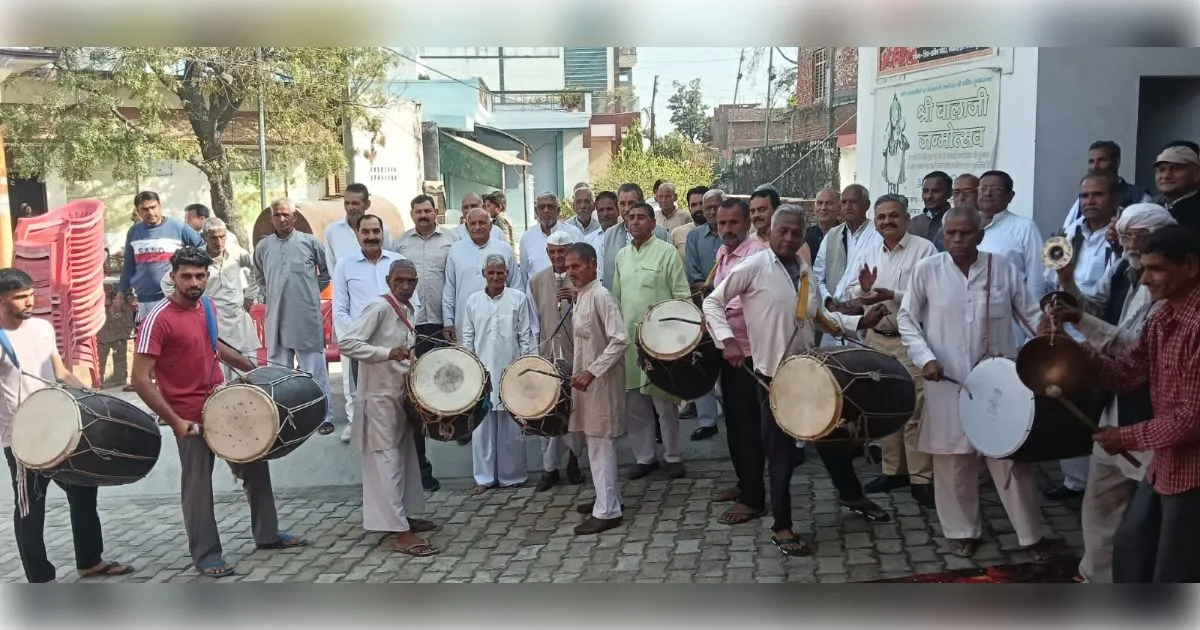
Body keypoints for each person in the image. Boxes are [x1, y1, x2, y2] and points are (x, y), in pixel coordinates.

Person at [704, 205, 890, 557]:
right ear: (770, 231)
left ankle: (853, 496)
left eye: (796, 233)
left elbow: (815, 315)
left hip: (810, 374)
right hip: (773, 381)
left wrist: (857, 324)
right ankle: (782, 526)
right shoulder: (754, 266)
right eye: (783, 231)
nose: (789, 238)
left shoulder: (804, 271)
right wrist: (727, 340)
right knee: (781, 456)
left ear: (804, 236)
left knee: (832, 443)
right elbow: (713, 302)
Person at [133, 247, 307, 578]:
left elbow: (213, 345)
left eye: (200, 276)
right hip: (188, 418)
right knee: (198, 486)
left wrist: (251, 367)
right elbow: (140, 380)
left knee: (255, 467)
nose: (194, 282)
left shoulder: (207, 307)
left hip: (223, 406)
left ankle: (267, 534)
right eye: (186, 276)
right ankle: (207, 555)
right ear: (173, 277)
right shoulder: (158, 319)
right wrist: (175, 421)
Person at [897, 206, 1054, 563]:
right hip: (947, 381)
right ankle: (961, 531)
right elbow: (907, 318)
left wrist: (1049, 341)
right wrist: (925, 358)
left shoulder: (1002, 268)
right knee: (953, 460)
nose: (956, 240)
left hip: (999, 383)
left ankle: (1030, 535)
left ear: (980, 235)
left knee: (1009, 459)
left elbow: (1030, 317)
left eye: (964, 233)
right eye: (950, 234)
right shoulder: (927, 270)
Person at [1050, 224, 1200, 583]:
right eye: (1143, 269)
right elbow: (1129, 373)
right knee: (1133, 545)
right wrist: (1076, 355)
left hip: (1193, 471)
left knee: (1174, 567)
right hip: (1166, 462)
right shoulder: (1161, 316)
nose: (1145, 280)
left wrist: (1126, 437)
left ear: (1191, 266)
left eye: (1156, 269)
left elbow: (1192, 419)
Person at [0, 268, 135, 583]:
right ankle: (41, 579)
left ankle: (89, 560)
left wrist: (90, 397)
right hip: (22, 440)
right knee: (30, 508)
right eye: (20, 297)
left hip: (60, 428)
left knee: (85, 487)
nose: (29, 301)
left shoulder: (42, 328)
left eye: (31, 294)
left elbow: (60, 370)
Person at [830, 195, 938, 509]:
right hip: (877, 339)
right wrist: (865, 290)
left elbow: (931, 295)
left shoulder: (924, 250)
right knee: (885, 405)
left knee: (915, 409)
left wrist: (892, 294)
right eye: (881, 217)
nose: (887, 221)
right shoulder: (868, 248)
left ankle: (921, 478)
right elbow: (850, 291)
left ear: (906, 218)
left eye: (893, 216)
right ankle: (893, 471)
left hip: (911, 341)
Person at [338, 259, 440, 557]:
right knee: (388, 466)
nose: (406, 286)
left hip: (400, 398)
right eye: (400, 281)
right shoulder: (378, 308)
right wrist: (385, 353)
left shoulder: (408, 310)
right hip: (379, 400)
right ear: (388, 280)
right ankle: (400, 533)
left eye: (411, 281)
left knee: (405, 461)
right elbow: (348, 344)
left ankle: (404, 517)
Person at [1041, 173, 1120, 502]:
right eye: (1084, 195)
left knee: (1098, 407)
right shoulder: (1068, 234)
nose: (1089, 201)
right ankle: (1074, 482)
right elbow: (1049, 280)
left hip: (1103, 334)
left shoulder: (1119, 239)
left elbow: (1104, 300)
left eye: (1097, 195)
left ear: (1114, 199)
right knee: (1066, 403)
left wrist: (1069, 283)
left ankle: (1105, 481)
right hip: (1064, 333)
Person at [612, 203, 691, 480]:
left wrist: (677, 338)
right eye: (631, 218)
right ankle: (645, 458)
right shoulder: (622, 256)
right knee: (635, 404)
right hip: (630, 342)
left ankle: (672, 456)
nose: (635, 222)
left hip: (661, 341)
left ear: (652, 223)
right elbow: (617, 300)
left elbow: (682, 297)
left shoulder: (667, 252)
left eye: (641, 217)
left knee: (664, 403)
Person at [704, 198, 768, 525]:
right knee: (734, 423)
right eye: (721, 224)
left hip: (749, 354)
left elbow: (744, 306)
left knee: (747, 428)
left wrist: (718, 320)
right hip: (727, 351)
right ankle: (745, 483)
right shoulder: (723, 254)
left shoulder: (756, 255)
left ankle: (755, 498)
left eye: (733, 224)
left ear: (747, 224)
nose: (726, 229)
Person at [561, 243, 629, 535]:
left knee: (601, 445)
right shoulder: (582, 296)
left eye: (576, 266)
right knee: (594, 443)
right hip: (585, 384)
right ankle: (608, 497)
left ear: (593, 265)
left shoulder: (603, 297)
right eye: (568, 267)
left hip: (601, 385)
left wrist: (593, 371)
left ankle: (608, 511)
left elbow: (620, 340)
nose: (571, 272)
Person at [252, 198, 335, 435]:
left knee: (315, 369)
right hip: (276, 318)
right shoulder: (264, 247)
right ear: (271, 219)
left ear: (294, 218)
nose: (282, 219)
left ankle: (324, 417)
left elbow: (326, 273)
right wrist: (276, 294)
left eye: (286, 215)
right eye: (277, 215)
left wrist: (308, 291)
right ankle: (283, 420)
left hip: (305, 318)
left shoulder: (310, 243)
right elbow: (260, 277)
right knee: (278, 372)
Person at [391, 194, 455, 490]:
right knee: (416, 392)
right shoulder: (401, 244)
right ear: (412, 213)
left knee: (450, 381)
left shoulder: (451, 241)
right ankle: (423, 469)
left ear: (436, 212)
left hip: (443, 323)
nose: (424, 215)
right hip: (412, 325)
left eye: (428, 210)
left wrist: (451, 321)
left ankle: (454, 428)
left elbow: (453, 281)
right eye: (418, 211)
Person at [461, 255, 536, 494]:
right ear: (483, 273)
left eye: (500, 273)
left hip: (510, 371)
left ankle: (512, 476)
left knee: (511, 428)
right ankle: (484, 478)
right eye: (491, 273)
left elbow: (526, 336)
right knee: (482, 428)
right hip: (481, 373)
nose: (496, 278)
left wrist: (523, 368)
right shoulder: (473, 302)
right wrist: (471, 370)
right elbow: (468, 338)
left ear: (507, 274)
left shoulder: (519, 299)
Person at [332, 215, 409, 444]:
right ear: (357, 235)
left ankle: (401, 444)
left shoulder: (397, 261)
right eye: (366, 232)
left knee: (401, 398)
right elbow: (340, 308)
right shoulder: (345, 265)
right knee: (365, 397)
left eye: (376, 231)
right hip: (363, 346)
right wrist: (355, 341)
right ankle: (369, 442)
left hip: (396, 343)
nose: (371, 237)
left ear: (383, 234)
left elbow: (412, 302)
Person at [324, 183, 393, 438]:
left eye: (356, 203)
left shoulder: (383, 229)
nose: (351, 207)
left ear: (366, 204)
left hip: (387, 326)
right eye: (347, 203)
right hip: (353, 325)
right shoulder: (333, 232)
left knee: (387, 381)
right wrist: (351, 333)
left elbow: (391, 268)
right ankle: (355, 421)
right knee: (352, 381)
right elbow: (335, 276)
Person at [160, 217, 260, 380]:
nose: (219, 242)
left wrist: (250, 296)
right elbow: (166, 282)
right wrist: (184, 306)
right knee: (218, 376)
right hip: (211, 321)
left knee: (249, 375)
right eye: (214, 237)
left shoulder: (236, 252)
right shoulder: (196, 259)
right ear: (204, 237)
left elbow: (256, 270)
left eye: (222, 236)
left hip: (238, 321)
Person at [528, 231, 585, 491]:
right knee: (548, 413)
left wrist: (576, 298)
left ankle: (574, 462)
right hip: (548, 356)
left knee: (574, 414)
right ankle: (549, 469)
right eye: (552, 251)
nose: (557, 257)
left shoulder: (582, 280)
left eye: (562, 252)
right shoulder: (537, 281)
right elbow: (532, 321)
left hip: (577, 356)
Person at [115, 190, 205, 333]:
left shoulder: (178, 227)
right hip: (144, 299)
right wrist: (119, 295)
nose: (150, 212)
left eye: (153, 207)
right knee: (149, 342)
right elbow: (129, 266)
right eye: (144, 209)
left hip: (172, 298)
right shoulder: (133, 232)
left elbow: (203, 248)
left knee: (176, 339)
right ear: (138, 210)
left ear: (160, 206)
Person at [681, 188, 727, 438]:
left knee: (731, 365)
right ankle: (708, 422)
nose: (709, 211)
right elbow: (695, 275)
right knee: (702, 362)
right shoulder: (694, 237)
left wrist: (723, 293)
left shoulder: (733, 234)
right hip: (704, 307)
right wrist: (711, 294)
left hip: (733, 309)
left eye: (715, 206)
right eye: (706, 207)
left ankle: (734, 414)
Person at [1060, 141, 1152, 230]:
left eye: (1102, 160)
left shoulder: (1139, 197)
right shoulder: (1084, 198)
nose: (1095, 167)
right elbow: (1065, 233)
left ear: (1117, 162)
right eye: (1091, 161)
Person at [815, 184, 875, 317]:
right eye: (844, 202)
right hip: (833, 314)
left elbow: (883, 277)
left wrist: (858, 305)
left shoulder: (877, 235)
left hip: (865, 315)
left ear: (867, 205)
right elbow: (817, 276)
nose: (847, 207)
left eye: (853, 202)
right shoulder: (832, 235)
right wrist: (829, 302)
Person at [598, 183, 670, 290]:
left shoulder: (662, 234)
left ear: (642, 204)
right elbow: (602, 275)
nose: (626, 209)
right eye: (622, 203)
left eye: (631, 203)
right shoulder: (609, 235)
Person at [518, 192, 584, 279]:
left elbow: (582, 266)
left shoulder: (573, 233)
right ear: (536, 211)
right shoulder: (527, 237)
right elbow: (524, 274)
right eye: (542, 207)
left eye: (550, 207)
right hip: (536, 291)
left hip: (568, 290)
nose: (546, 210)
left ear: (558, 210)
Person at [1150, 145, 1199, 230]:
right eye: (1161, 169)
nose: (1165, 176)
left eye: (1176, 169)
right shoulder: (1150, 207)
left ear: (1197, 174)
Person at [910, 171, 953, 252]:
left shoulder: (957, 222)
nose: (929, 196)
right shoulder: (913, 223)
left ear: (949, 193)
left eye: (935, 191)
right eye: (925, 191)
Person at [670, 186, 710, 257]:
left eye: (702, 204)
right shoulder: (677, 233)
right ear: (689, 208)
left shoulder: (720, 233)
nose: (698, 208)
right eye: (694, 205)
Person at [805, 189, 840, 260]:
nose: (823, 208)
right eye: (819, 203)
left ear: (839, 208)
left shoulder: (847, 236)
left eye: (829, 203)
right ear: (814, 208)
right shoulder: (804, 237)